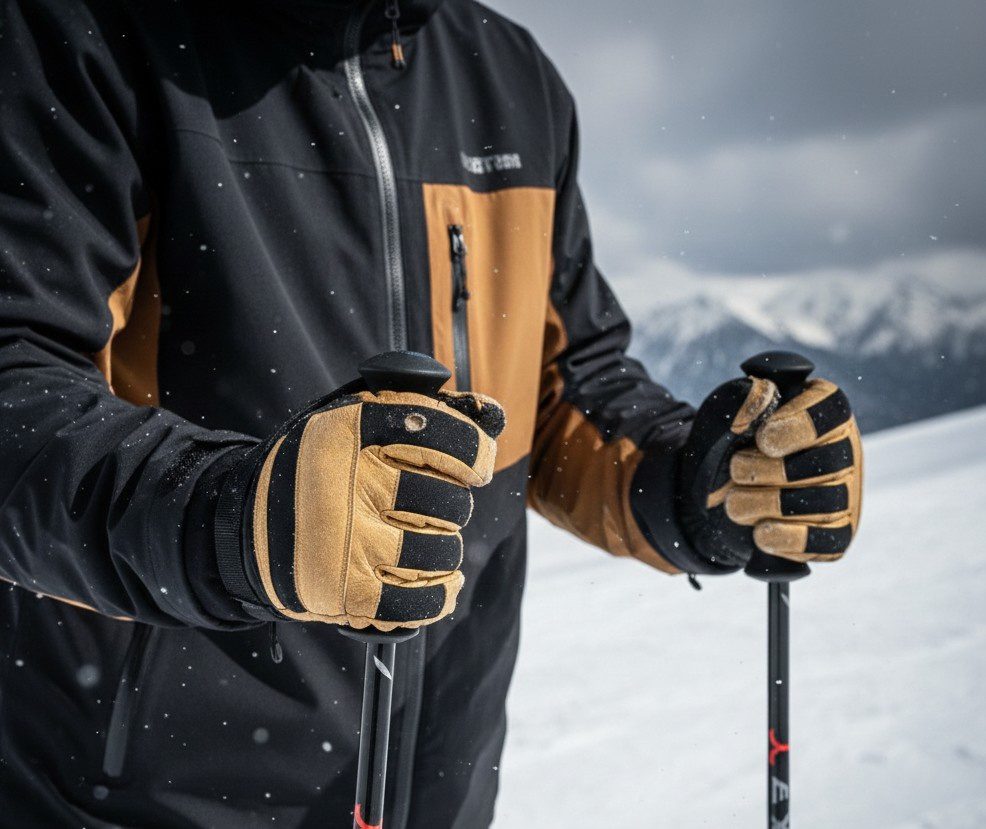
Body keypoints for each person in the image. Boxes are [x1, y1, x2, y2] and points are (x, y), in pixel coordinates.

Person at [0, 0, 863, 826]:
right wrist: (235, 520)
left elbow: (565, 386)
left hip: (439, 784)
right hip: (129, 797)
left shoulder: (511, 78)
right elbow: (17, 383)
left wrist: (702, 482)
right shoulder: (85, 29)